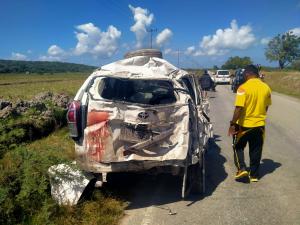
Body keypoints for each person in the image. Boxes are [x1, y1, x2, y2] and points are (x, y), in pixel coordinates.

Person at [228, 64, 272, 182]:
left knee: (238, 146)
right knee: (256, 149)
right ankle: (254, 175)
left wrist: (232, 124)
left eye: (243, 74)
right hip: (259, 125)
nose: (243, 76)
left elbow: (239, 108)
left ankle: (241, 169)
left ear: (248, 74)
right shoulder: (266, 87)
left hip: (244, 125)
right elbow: (266, 106)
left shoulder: (242, 88)